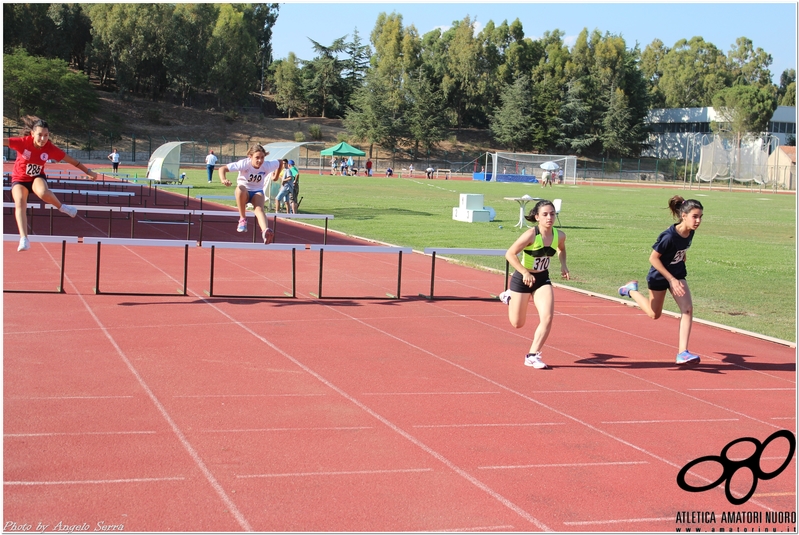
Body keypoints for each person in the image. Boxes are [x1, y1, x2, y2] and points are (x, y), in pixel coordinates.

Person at [618, 196, 704, 365]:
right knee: (654, 314)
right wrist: (671, 279)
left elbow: (682, 247)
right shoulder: (668, 237)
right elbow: (653, 259)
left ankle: (683, 353)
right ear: (684, 216)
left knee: (687, 309)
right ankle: (631, 290)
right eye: (695, 216)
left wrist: (681, 257)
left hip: (677, 274)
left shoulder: (690, 231)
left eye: (701, 216)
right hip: (660, 275)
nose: (698, 221)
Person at [3, 116, 97, 252]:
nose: (43, 139)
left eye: (46, 135)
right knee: (20, 202)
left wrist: (88, 171)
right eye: (40, 135)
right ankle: (24, 238)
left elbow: (72, 161)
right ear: (32, 134)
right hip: (19, 179)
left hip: (36, 177)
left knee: (42, 192)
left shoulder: (50, 148)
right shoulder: (23, 142)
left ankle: (62, 206)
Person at [498, 200, 570, 369]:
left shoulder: (559, 235)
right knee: (517, 323)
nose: (549, 217)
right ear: (537, 217)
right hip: (522, 279)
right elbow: (510, 254)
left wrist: (563, 264)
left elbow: (561, 248)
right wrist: (524, 272)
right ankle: (510, 296)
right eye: (545, 214)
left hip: (542, 279)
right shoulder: (531, 234)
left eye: (552, 214)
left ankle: (532, 355)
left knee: (548, 317)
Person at [218, 144, 284, 244]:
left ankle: (265, 231)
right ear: (250, 157)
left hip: (257, 191)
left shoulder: (266, 165)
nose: (260, 161)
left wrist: (276, 176)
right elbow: (222, 169)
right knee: (240, 188)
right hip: (244, 192)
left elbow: (280, 162)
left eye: (262, 158)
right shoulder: (244, 164)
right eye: (257, 158)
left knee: (259, 209)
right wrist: (223, 179)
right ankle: (242, 219)